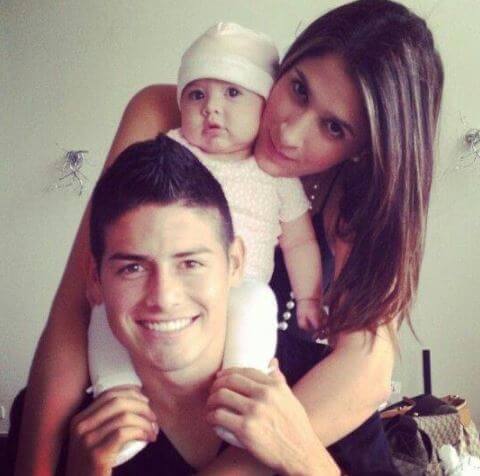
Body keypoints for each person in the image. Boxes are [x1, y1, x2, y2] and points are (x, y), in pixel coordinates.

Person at [15, 1, 444, 475]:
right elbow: (77, 307)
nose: (289, 131)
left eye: (334, 127)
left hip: (282, 430)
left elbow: (366, 371)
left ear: (365, 149)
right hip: (154, 419)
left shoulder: (358, 206)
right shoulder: (179, 111)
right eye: (298, 89)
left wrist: (244, 463)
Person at [7, 134, 344, 475]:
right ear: (95, 280)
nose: (164, 297)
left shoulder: (322, 384)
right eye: (132, 268)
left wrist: (306, 460)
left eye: (190, 264)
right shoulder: (48, 418)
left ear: (235, 264)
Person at [87, 22, 324, 462]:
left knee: (259, 303)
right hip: (164, 304)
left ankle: (239, 391)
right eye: (197, 95)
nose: (212, 109)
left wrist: (309, 297)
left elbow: (299, 242)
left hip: (242, 288)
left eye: (233, 93)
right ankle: (117, 395)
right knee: (104, 313)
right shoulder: (171, 150)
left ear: (264, 105)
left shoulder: (275, 177)